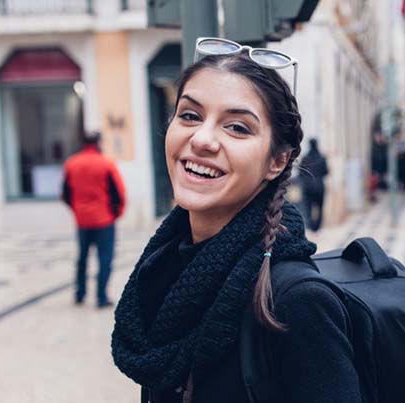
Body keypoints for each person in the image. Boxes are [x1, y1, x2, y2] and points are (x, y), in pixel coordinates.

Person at [111, 39, 360, 402]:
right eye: (190, 115)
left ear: (277, 161)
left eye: (237, 128)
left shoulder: (295, 301)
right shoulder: (163, 269)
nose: (203, 139)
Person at [61, 131, 126, 308]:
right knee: (105, 259)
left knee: (82, 258)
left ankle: (80, 294)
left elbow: (65, 194)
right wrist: (115, 214)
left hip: (82, 221)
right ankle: (101, 297)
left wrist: (77, 211)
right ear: (98, 142)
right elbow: (119, 194)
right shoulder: (106, 164)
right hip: (104, 220)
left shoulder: (71, 163)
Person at [300, 137, 329, 232]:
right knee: (319, 208)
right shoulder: (321, 158)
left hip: (308, 187)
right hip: (320, 187)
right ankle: (317, 227)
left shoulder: (305, 158)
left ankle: (312, 227)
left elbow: (301, 173)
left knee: (309, 207)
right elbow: (326, 172)